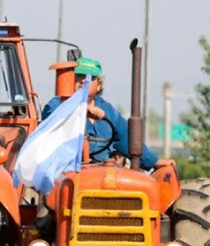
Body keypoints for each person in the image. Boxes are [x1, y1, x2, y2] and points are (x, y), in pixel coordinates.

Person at [41, 57, 174, 170]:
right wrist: (82, 109)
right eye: (79, 76)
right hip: (68, 170)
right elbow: (52, 118)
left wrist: (153, 162)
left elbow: (127, 138)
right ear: (71, 80)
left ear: (98, 85)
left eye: (90, 77)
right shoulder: (58, 103)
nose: (83, 81)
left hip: (103, 171)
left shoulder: (108, 110)